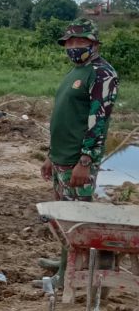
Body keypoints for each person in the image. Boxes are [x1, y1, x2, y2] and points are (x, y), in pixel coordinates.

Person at [37, 18, 119, 286]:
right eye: (69, 42)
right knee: (62, 215)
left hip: (77, 159)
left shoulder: (102, 74)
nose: (73, 46)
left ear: (94, 43)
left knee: (78, 218)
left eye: (79, 41)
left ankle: (70, 273)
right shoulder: (76, 71)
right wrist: (51, 154)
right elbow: (66, 117)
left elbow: (99, 121)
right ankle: (64, 259)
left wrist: (86, 160)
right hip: (61, 155)